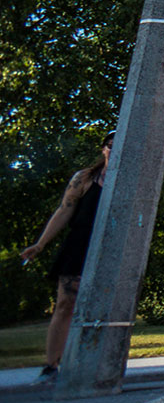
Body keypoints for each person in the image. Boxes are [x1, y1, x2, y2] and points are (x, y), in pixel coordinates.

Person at [20, 132, 112, 385]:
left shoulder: (129, 180)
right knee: (65, 304)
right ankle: (51, 367)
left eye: (120, 147)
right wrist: (40, 244)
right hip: (79, 244)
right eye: (110, 147)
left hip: (111, 246)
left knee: (103, 308)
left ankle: (95, 365)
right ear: (103, 149)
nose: (114, 151)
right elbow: (64, 211)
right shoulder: (84, 178)